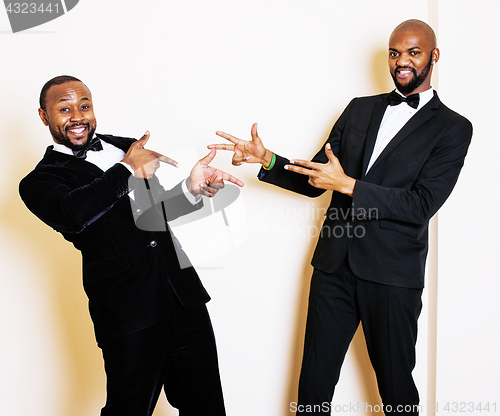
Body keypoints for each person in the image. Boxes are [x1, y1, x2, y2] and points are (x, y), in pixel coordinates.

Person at [210, 20, 472, 415]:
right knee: (313, 385)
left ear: (434, 56)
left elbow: (421, 205)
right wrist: (268, 159)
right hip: (334, 267)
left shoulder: (453, 127)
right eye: (395, 52)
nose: (402, 61)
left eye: (413, 53)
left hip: (392, 275)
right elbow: (318, 179)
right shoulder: (359, 109)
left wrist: (348, 185)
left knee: (396, 387)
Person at [19, 75, 244, 416]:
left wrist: (190, 190)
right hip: (127, 309)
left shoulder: (126, 146)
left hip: (183, 296)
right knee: (129, 408)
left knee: (207, 406)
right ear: (44, 116)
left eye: (84, 106)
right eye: (64, 109)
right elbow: (74, 215)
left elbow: (151, 216)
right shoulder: (39, 181)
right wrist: (126, 168)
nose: (77, 116)